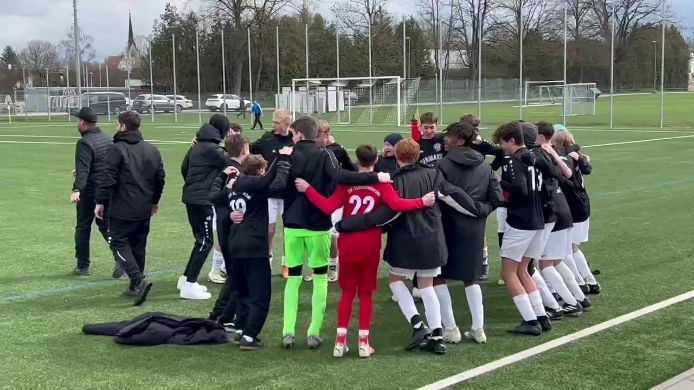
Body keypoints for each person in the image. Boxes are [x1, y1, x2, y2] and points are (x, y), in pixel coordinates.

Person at [335, 139, 483, 355]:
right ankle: (438, 336)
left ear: (397, 157)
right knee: (427, 285)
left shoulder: (396, 180)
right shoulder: (434, 174)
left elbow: (386, 214)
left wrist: (347, 224)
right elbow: (454, 196)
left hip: (405, 242)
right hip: (433, 239)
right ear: (419, 154)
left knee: (395, 281)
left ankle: (417, 324)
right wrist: (479, 210)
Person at [295, 144, 435, 358]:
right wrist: (422, 202)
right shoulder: (382, 184)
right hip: (369, 244)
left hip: (347, 243)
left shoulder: (347, 184)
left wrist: (308, 189)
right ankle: (363, 342)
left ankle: (339, 343)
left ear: (357, 160)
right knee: (366, 294)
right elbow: (397, 204)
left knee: (347, 293)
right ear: (375, 161)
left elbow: (327, 207)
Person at [279, 116, 390, 350]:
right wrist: (375, 177)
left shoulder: (286, 154)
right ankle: (313, 332)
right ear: (315, 134)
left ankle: (288, 331)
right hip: (318, 226)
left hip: (292, 225)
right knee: (320, 278)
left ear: (297, 133)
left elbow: (275, 185)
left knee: (294, 278)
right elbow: (341, 177)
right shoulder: (324, 154)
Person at [433, 122, 504, 344]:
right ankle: (478, 328)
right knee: (471, 278)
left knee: (437, 276)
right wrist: (480, 211)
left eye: (449, 136)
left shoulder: (442, 165)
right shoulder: (485, 166)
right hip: (475, 229)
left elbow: (439, 194)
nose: (445, 139)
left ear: (461, 140)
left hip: (447, 227)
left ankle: (451, 328)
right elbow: (496, 198)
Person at [214, 150, 293, 350]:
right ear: (258, 172)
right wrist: (283, 160)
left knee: (243, 290)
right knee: (261, 293)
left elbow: (213, 196)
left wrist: (222, 177)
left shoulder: (234, 187)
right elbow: (275, 184)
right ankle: (250, 336)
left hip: (235, 245)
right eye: (263, 170)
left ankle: (241, 328)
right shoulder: (256, 187)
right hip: (254, 246)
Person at [95, 111, 165, 305]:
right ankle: (136, 285)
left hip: (122, 207)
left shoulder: (116, 149)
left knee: (118, 242)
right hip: (143, 207)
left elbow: (107, 177)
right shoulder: (152, 150)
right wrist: (154, 201)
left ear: (123, 126)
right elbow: (160, 178)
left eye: (117, 125)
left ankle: (137, 279)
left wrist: (100, 202)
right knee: (138, 244)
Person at [493, 121, 550, 336]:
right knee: (523, 270)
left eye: (502, 143)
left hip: (521, 220)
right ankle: (541, 316)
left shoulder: (513, 160)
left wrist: (498, 182)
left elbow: (520, 190)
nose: (502, 148)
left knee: (508, 273)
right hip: (538, 219)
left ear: (512, 141)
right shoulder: (535, 156)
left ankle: (530, 320)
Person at [535, 121, 588, 314]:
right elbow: (566, 172)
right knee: (557, 260)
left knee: (545, 263)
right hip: (564, 211)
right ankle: (580, 297)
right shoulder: (551, 155)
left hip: (554, 213)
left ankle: (568, 302)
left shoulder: (537, 156)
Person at [179, 123, 228, 300]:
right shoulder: (213, 150)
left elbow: (184, 168)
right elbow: (232, 160)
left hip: (192, 197)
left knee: (200, 240)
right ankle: (190, 284)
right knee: (205, 241)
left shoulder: (195, 147)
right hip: (202, 200)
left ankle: (186, 279)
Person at [208, 133, 250, 332]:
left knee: (235, 274)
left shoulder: (223, 166)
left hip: (225, 224)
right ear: (244, 150)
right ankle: (222, 315)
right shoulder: (237, 171)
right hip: (233, 228)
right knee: (236, 275)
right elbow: (219, 197)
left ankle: (222, 315)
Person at [551, 128, 601, 295]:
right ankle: (588, 280)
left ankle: (580, 283)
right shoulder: (578, 156)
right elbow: (587, 166)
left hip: (573, 207)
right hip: (582, 205)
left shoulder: (563, 159)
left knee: (566, 249)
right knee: (572, 248)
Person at [70, 107, 118, 277]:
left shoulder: (84, 142)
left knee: (83, 226)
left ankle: (83, 265)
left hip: (90, 192)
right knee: (106, 226)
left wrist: (76, 189)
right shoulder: (107, 139)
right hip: (106, 191)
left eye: (78, 121)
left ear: (82, 122)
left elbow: (82, 171)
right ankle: (121, 258)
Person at [310, 119, 356, 283]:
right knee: (315, 233)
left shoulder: (337, 151)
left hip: (334, 197)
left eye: (317, 135)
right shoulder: (310, 150)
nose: (314, 139)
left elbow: (351, 170)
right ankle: (317, 266)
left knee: (333, 235)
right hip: (314, 197)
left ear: (326, 135)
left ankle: (333, 265)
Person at [250, 108, 294, 276]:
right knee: (269, 230)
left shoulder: (295, 141)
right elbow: (247, 149)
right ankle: (267, 261)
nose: (273, 125)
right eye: (273, 122)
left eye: (276, 122)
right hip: (269, 193)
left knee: (288, 231)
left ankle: (286, 263)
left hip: (288, 194)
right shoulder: (266, 138)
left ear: (286, 123)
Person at [208, 113, 233, 284]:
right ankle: (216, 270)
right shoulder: (216, 151)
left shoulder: (203, 145)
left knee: (224, 232)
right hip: (217, 196)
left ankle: (221, 268)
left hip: (213, 194)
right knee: (223, 233)